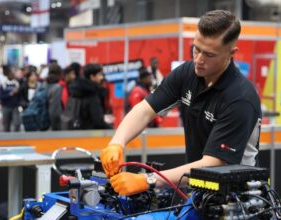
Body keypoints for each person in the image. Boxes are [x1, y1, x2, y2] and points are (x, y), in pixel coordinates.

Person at [101, 10, 262, 196]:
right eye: (196, 48)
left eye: (209, 54)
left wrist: (149, 180)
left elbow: (215, 163)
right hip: (200, 190)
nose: (199, 60)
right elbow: (145, 110)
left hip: (239, 200)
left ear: (231, 53)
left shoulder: (240, 98)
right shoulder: (187, 74)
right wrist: (117, 143)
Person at [63, 64, 110, 130]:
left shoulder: (75, 90)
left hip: (74, 131)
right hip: (91, 135)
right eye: (99, 74)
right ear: (92, 76)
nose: (102, 77)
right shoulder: (92, 94)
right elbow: (98, 121)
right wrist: (111, 129)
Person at [0, 66, 22, 132]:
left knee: (17, 123)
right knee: (6, 125)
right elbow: (1, 96)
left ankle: (17, 139)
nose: (12, 74)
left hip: (15, 107)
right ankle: (6, 139)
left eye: (13, 73)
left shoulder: (17, 83)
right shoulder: (3, 84)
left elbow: (20, 95)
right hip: (6, 106)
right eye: (10, 73)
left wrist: (20, 103)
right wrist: (11, 93)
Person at [46, 64, 64, 130]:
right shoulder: (57, 87)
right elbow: (54, 109)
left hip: (42, 118)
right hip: (52, 123)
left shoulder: (43, 84)